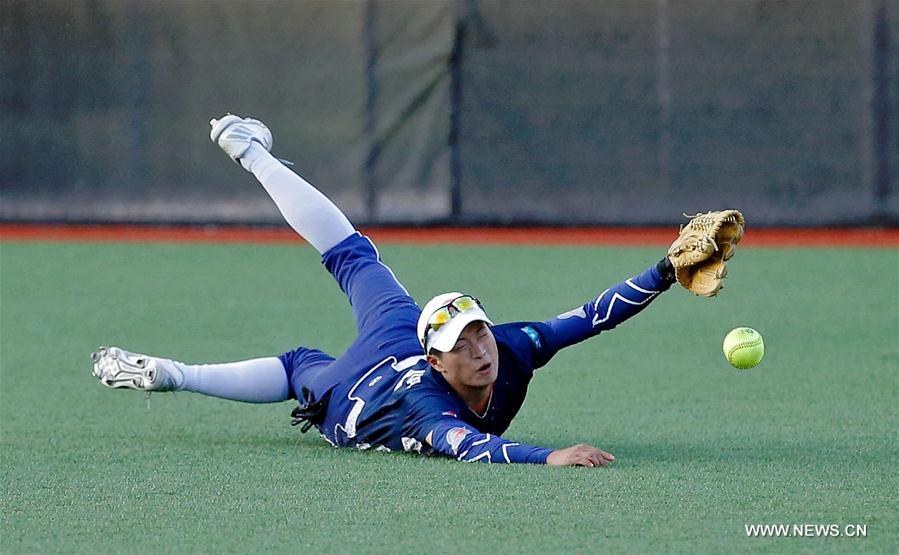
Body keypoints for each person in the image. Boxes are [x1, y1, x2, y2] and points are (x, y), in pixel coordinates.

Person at [91, 114, 722, 467]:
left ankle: (249, 150)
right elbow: (472, 447)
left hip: (397, 332)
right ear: (437, 359)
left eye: (478, 330)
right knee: (299, 370)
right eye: (463, 343)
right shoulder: (431, 409)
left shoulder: (507, 346)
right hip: (353, 395)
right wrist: (550, 456)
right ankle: (174, 373)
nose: (481, 349)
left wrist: (665, 270)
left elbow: (590, 318)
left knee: (349, 254)